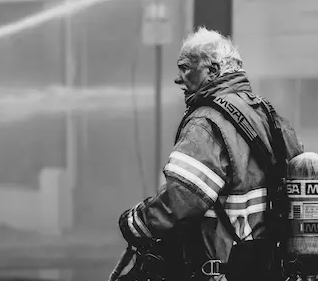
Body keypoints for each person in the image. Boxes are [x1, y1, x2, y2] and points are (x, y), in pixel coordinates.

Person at [118, 27, 304, 281]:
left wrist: (136, 222)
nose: (178, 78)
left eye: (185, 67)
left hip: (222, 271)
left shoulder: (205, 124)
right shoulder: (267, 115)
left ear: (213, 71)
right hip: (271, 269)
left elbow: (180, 202)